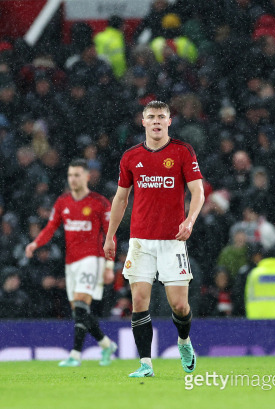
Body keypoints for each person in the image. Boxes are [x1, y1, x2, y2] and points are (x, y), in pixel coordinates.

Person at [103, 100, 204, 378]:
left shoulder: (183, 151)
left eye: (161, 116)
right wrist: (110, 236)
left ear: (169, 121)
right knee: (139, 301)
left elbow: (198, 192)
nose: (157, 121)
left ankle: (184, 341)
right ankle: (145, 364)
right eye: (151, 117)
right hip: (140, 241)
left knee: (180, 305)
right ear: (143, 122)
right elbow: (120, 199)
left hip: (173, 240)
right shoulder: (130, 157)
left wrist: (189, 221)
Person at [24, 159, 118, 367]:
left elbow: (110, 235)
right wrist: (35, 244)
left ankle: (75, 354)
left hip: (92, 260)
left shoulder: (99, 202)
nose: (73, 179)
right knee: (79, 311)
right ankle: (106, 344)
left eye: (77, 175)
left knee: (81, 304)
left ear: (86, 176)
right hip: (71, 263)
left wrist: (109, 266)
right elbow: (50, 228)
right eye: (70, 175)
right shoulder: (62, 202)